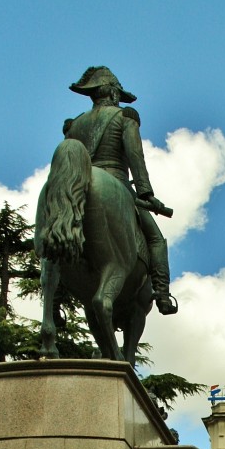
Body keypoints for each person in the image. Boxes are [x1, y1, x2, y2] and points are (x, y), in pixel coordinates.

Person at [64, 66, 178, 315]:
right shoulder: (124, 117)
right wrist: (146, 194)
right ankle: (162, 294)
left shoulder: (74, 125)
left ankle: (54, 299)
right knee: (156, 239)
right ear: (113, 93)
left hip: (77, 185)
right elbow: (135, 156)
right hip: (117, 184)